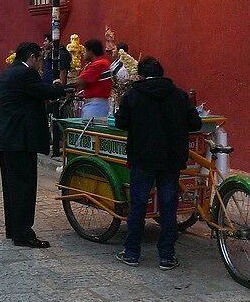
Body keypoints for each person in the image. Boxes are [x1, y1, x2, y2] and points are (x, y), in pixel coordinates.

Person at [115, 56, 202, 270]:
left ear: (142, 75)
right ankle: (166, 256)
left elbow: (120, 123)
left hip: (142, 159)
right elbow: (195, 123)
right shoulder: (179, 96)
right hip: (171, 160)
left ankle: (132, 253)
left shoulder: (133, 95)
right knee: (169, 207)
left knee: (138, 205)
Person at [0, 42, 66, 248]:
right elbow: (45, 92)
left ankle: (14, 229)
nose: (41, 63)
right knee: (24, 188)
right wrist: (60, 87)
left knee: (11, 188)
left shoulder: (8, 73)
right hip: (21, 140)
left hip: (7, 138)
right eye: (40, 59)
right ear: (32, 57)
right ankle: (24, 233)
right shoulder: (27, 74)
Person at [41, 33, 71, 157]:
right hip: (47, 89)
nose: (43, 43)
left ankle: (59, 141)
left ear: (52, 42)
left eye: (46, 40)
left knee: (57, 115)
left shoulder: (61, 54)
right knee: (48, 115)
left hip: (55, 90)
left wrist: (60, 89)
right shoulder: (50, 54)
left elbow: (63, 72)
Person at [76, 38, 113, 118]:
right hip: (97, 103)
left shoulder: (99, 64)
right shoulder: (103, 62)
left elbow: (80, 82)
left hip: (96, 105)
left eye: (85, 51)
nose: (83, 54)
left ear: (90, 51)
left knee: (90, 128)